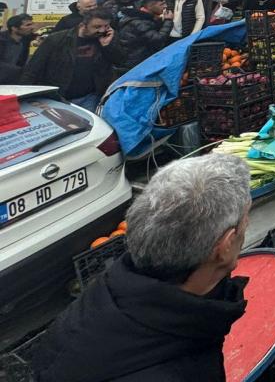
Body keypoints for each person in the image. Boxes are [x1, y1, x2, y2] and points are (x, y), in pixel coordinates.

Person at [33, 155, 251, 381]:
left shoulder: (111, 294)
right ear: (225, 246)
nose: (248, 225)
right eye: (245, 220)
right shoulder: (175, 371)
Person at [22, 9, 124, 110]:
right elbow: (34, 68)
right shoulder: (57, 39)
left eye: (106, 26)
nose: (101, 30)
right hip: (58, 95)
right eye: (97, 27)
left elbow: (119, 61)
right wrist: (25, 96)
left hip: (89, 97)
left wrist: (107, 46)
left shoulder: (105, 39)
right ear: (83, 25)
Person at [115, 0, 174, 74]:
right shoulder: (139, 22)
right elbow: (158, 39)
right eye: (161, 4)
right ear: (150, 6)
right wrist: (168, 21)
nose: (165, 6)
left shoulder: (143, 18)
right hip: (134, 64)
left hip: (135, 60)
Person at [0, 14, 35, 84]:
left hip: (12, 80)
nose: (32, 27)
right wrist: (19, 71)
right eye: (27, 25)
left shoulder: (24, 41)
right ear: (14, 28)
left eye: (32, 24)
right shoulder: (2, 40)